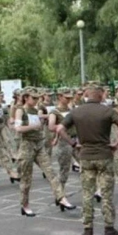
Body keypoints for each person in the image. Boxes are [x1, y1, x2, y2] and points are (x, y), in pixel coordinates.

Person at [55, 82, 118, 235]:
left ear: (86, 95)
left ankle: (88, 230)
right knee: (106, 194)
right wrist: (117, 144)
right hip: (104, 155)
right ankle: (109, 229)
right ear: (101, 95)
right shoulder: (107, 111)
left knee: (87, 194)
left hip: (86, 156)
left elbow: (59, 129)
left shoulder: (76, 112)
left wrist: (74, 143)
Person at [16, 87, 75, 217]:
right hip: (27, 146)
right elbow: (18, 128)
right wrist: (33, 126)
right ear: (26, 97)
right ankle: (25, 205)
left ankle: (61, 198)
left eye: (37, 98)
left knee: (51, 173)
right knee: (26, 179)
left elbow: (44, 119)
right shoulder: (21, 110)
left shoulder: (36, 110)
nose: (37, 100)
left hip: (39, 145)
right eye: (34, 98)